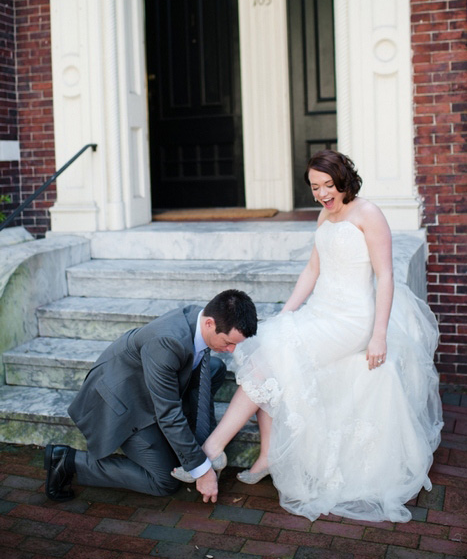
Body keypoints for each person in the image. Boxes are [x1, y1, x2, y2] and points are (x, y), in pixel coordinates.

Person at [173, 150, 443, 522]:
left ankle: (212, 449)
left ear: (344, 180)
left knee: (273, 354)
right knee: (269, 346)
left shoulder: (369, 215)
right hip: (320, 311)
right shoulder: (322, 216)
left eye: (328, 186)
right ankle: (263, 454)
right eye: (315, 188)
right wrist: (285, 315)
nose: (322, 194)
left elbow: (386, 277)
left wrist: (378, 334)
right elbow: (311, 272)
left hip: (352, 321)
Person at [44, 289, 257, 504]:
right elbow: (168, 413)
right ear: (210, 323)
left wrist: (200, 444)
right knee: (164, 481)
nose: (231, 350)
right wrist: (202, 471)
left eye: (236, 344)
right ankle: (67, 461)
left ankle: (187, 438)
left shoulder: (198, 320)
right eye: (228, 342)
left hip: (150, 387)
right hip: (125, 404)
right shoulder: (167, 342)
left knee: (215, 369)